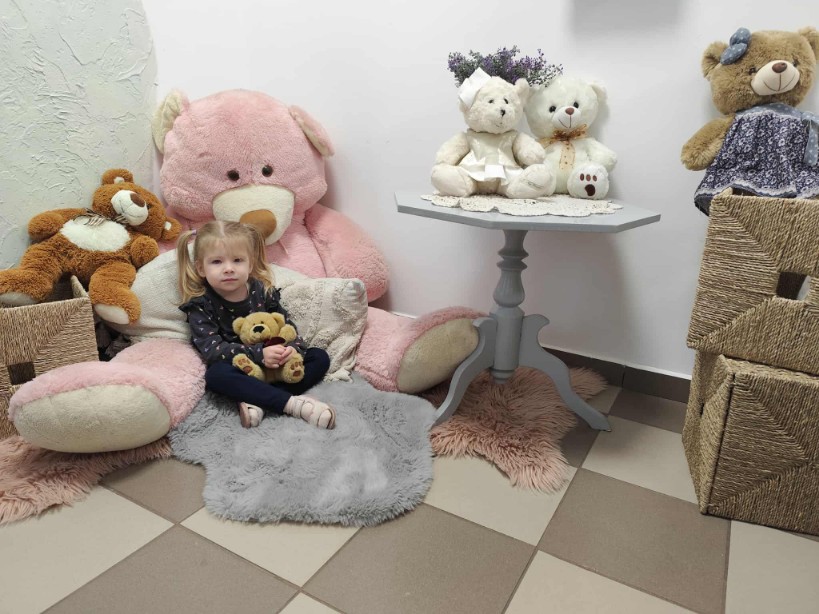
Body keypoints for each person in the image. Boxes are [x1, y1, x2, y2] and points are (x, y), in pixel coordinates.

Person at [177, 220, 335, 429]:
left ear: (250, 264)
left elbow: (287, 328)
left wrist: (289, 350)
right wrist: (259, 354)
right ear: (201, 268)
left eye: (237, 260)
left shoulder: (262, 291)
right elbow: (213, 351)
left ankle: (260, 402)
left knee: (319, 357)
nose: (228, 269)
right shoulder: (201, 305)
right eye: (216, 262)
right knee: (216, 375)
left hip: (276, 365)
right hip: (241, 367)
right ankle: (291, 404)